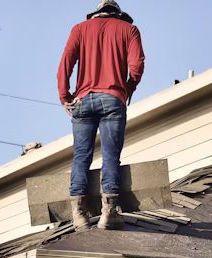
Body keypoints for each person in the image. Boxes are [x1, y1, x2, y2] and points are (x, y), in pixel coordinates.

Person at [57, 0, 145, 230]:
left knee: (81, 157)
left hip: (83, 100)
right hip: (113, 98)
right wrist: (126, 90)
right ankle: (109, 213)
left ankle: (78, 215)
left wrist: (64, 96)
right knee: (111, 156)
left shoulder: (79, 29)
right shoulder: (129, 30)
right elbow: (136, 66)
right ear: (118, 14)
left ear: (96, 14)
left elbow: (65, 62)